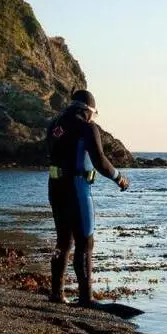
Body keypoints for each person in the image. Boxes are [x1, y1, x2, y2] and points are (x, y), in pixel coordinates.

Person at [47, 88, 129, 306]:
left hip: (55, 187)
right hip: (77, 187)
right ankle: (86, 297)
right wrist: (119, 177)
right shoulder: (87, 127)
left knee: (63, 241)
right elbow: (100, 161)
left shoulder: (54, 125)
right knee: (85, 242)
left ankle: (56, 293)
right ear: (89, 110)